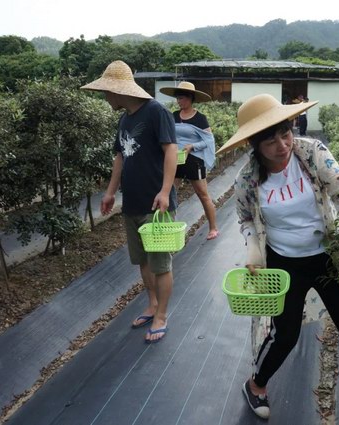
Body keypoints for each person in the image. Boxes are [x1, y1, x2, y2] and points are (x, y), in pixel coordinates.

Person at [216, 94, 339, 419]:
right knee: (285, 333)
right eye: (270, 140)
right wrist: (253, 249)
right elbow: (246, 219)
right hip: (284, 263)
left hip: (326, 257)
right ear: (254, 144)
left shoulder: (311, 153)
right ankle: (256, 385)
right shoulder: (247, 180)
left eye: (285, 133)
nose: (282, 145)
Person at [81, 60, 177, 343]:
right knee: (142, 261)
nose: (105, 97)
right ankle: (152, 305)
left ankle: (162, 315)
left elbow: (170, 151)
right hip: (132, 202)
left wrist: (165, 191)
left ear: (118, 90)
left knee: (161, 263)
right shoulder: (125, 119)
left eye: (106, 92)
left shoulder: (156, 112)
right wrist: (110, 192)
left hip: (155, 205)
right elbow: (120, 157)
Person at [159, 81, 219, 240]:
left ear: (191, 99)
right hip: (175, 159)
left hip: (194, 160)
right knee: (170, 192)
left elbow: (209, 141)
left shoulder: (200, 118)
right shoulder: (173, 116)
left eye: (182, 98)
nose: (179, 101)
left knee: (203, 194)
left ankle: (213, 228)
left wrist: (192, 146)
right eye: (178, 98)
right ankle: (167, 228)